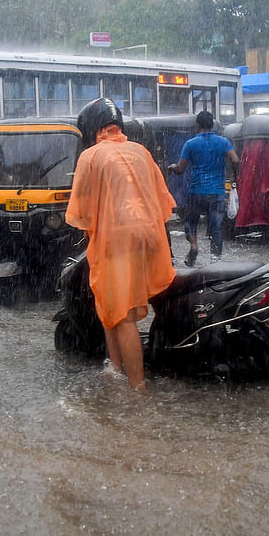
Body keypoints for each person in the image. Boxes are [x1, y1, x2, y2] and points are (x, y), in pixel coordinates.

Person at [65, 98, 176, 392]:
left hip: (118, 238)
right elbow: (163, 200)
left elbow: (82, 211)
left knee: (124, 314)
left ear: (91, 128)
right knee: (109, 304)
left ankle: (137, 390)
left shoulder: (90, 156)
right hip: (150, 235)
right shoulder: (140, 151)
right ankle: (114, 370)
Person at [167, 110, 239, 265]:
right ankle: (215, 260)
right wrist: (233, 175)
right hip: (217, 193)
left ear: (197, 125)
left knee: (190, 222)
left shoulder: (190, 144)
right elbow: (235, 159)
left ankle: (194, 246)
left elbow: (180, 169)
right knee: (216, 227)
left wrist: (172, 167)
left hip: (196, 191)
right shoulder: (223, 142)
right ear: (212, 125)